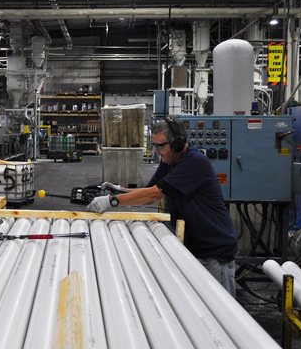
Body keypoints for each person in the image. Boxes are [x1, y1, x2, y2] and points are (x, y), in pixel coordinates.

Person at [87, 116, 238, 296]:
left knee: (218, 310)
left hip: (214, 253)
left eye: (161, 146)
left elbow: (154, 194)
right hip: (193, 248)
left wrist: (112, 201)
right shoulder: (169, 162)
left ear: (178, 144)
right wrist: (119, 191)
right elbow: (150, 191)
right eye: (154, 146)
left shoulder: (194, 162)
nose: (157, 151)